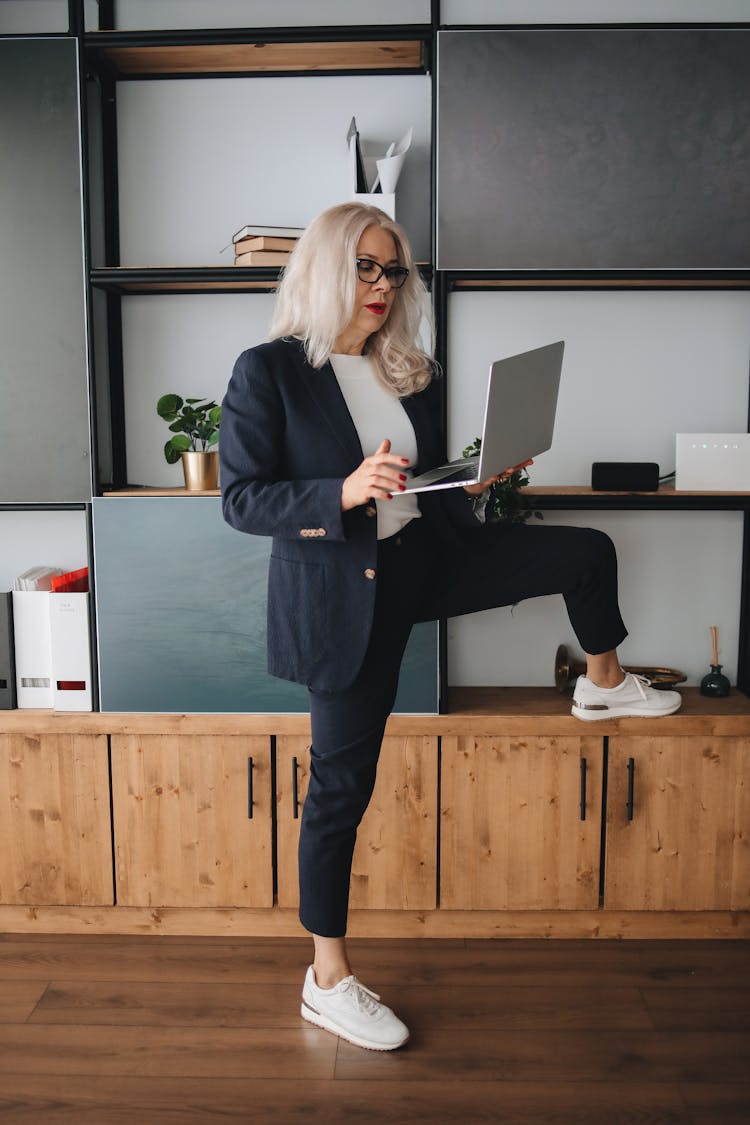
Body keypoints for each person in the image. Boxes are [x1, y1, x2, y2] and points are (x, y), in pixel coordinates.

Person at [220, 201, 681, 1053]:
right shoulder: (270, 371)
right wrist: (343, 491)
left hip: (425, 560)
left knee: (585, 550)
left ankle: (603, 683)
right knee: (339, 791)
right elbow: (242, 500)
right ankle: (326, 978)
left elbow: (418, 484)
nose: (383, 285)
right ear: (326, 267)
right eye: (366, 266)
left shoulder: (409, 370)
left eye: (394, 271)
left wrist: (470, 480)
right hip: (343, 596)